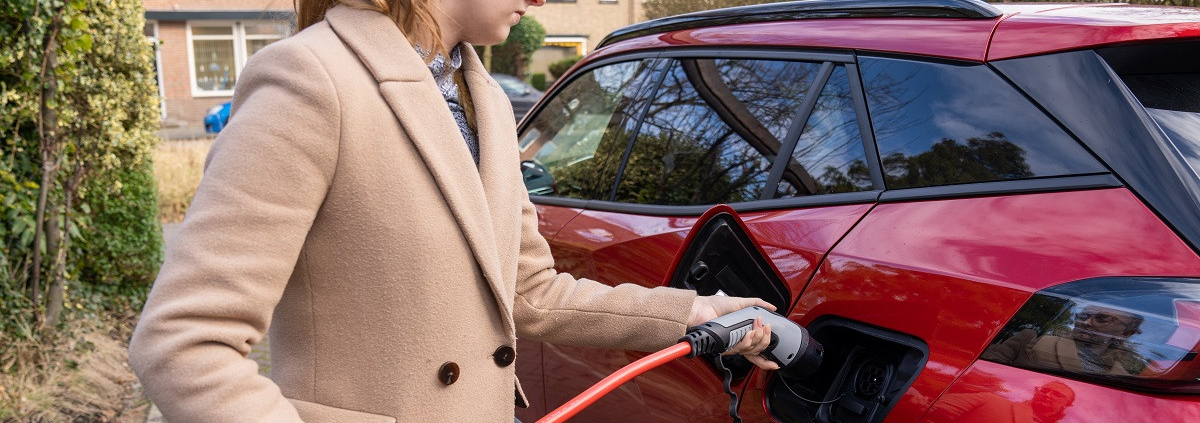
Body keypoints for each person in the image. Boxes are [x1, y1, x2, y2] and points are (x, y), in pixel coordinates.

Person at [127, 0, 781, 422]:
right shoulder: (311, 80)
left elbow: (529, 291)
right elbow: (185, 341)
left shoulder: (486, 99)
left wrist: (691, 311)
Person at [982, 305, 1145, 376]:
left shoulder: (1124, 378)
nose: (1085, 322)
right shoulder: (1034, 339)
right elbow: (984, 373)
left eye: (1102, 319)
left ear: (1126, 333)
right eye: (1082, 315)